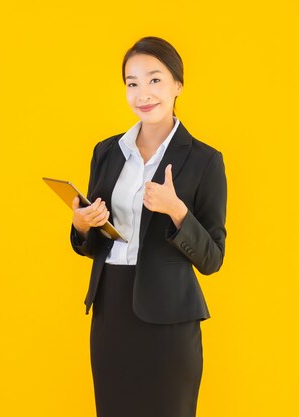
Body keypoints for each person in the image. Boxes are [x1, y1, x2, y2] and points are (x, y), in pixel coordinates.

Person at [69, 36, 228, 417]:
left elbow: (213, 258)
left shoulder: (206, 160)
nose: (143, 93)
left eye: (155, 80)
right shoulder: (107, 151)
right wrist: (82, 225)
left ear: (178, 85)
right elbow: (90, 244)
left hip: (169, 318)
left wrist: (177, 212)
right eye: (132, 82)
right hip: (112, 311)